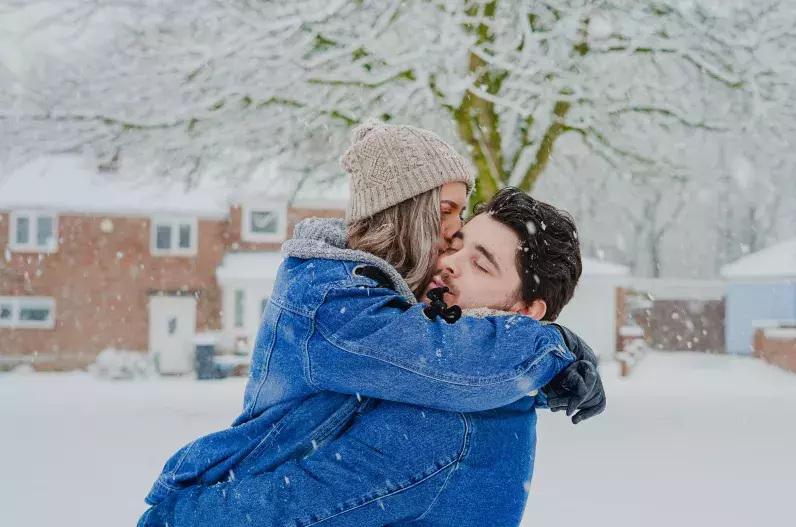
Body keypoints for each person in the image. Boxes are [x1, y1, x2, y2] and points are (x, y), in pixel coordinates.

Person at [138, 122, 604, 524]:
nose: (449, 260)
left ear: (526, 313)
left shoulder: (448, 420)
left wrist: (177, 515)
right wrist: (553, 350)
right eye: (454, 242)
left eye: (480, 265)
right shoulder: (352, 311)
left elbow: (291, 508)